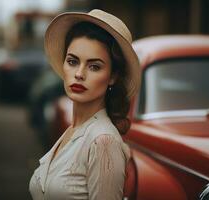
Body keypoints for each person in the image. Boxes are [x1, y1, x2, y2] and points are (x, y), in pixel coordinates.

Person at [29, 9, 141, 200]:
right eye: (72, 61)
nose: (79, 74)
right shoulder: (72, 131)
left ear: (113, 76)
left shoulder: (103, 141)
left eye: (94, 66)